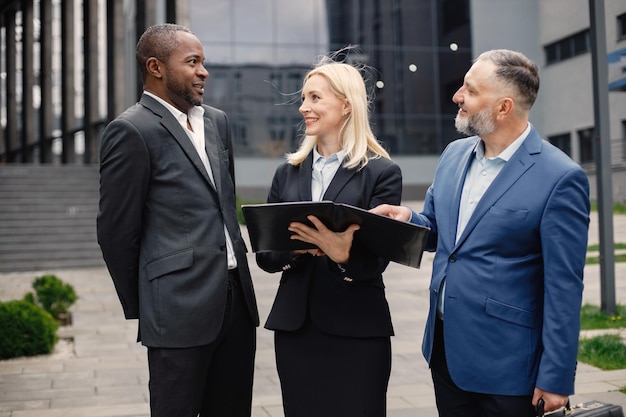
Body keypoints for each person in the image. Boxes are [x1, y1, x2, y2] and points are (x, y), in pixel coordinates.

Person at [371, 49, 590, 417]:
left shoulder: (560, 178)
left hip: (509, 368)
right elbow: (444, 234)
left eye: (470, 91)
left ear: (503, 108)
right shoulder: (454, 156)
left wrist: (556, 378)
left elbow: (564, 288)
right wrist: (407, 217)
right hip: (445, 354)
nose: (458, 97)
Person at [96, 23, 259, 417]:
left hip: (236, 303)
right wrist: (151, 304)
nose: (204, 71)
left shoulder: (217, 122)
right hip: (175, 310)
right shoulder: (131, 129)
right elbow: (116, 232)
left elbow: (224, 203)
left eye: (203, 62)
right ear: (156, 67)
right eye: (192, 62)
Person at [255, 57, 402, 417]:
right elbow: (266, 254)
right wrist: (302, 246)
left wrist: (343, 255)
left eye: (315, 98)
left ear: (346, 105)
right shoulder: (286, 173)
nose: (304, 107)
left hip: (358, 331)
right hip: (296, 330)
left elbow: (377, 260)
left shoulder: (382, 173)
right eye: (304, 98)